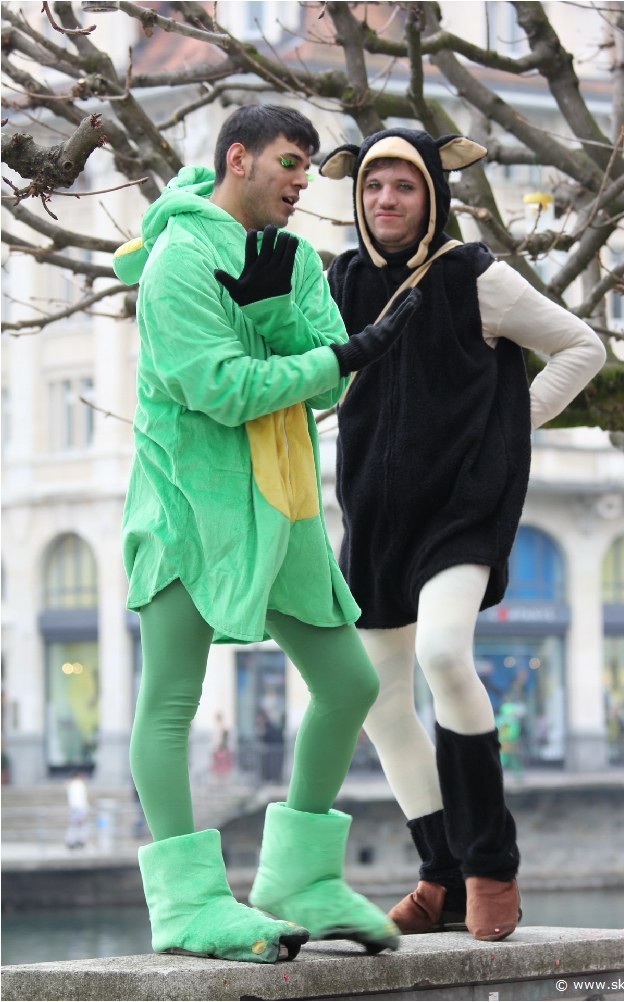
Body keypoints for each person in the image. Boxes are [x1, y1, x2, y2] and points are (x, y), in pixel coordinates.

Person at [112, 106, 421, 964]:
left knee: (348, 683)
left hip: (282, 505)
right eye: (290, 161)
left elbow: (323, 381)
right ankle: (187, 907)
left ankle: (298, 882)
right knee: (170, 700)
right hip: (190, 506)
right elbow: (223, 386)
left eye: (308, 165)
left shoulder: (288, 256)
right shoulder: (177, 261)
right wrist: (334, 355)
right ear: (238, 158)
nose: (302, 179)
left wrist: (288, 317)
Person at [320, 128, 606, 942]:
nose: (385, 199)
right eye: (372, 185)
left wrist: (506, 428)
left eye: (403, 185)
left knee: (444, 654)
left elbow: (581, 347)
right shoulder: (338, 281)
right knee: (376, 698)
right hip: (373, 516)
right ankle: (441, 876)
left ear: (433, 195)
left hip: (460, 511)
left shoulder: (474, 275)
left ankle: (490, 866)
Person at [65, 771, 89, 850]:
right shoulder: (79, 784)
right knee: (80, 825)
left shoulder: (71, 784)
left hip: (73, 808)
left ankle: (72, 841)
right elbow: (81, 798)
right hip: (79, 808)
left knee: (74, 825)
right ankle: (79, 841)